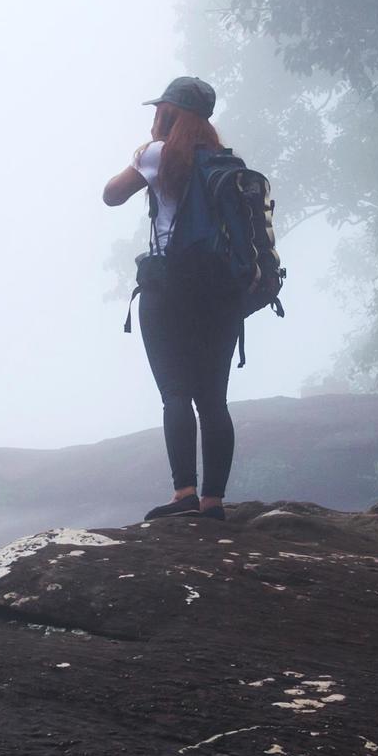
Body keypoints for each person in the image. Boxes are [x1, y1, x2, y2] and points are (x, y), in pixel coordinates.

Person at [102, 75, 236, 521]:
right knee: (213, 399)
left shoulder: (158, 155)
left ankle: (185, 495)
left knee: (176, 393)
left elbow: (111, 195)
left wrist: (151, 143)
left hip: (170, 289)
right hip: (220, 293)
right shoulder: (223, 161)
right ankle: (214, 501)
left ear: (169, 113)